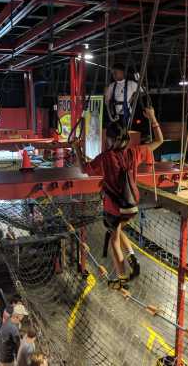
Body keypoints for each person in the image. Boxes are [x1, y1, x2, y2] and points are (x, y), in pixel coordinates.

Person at [73, 107, 163, 290]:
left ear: (111, 139)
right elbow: (160, 140)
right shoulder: (134, 152)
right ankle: (131, 256)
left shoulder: (105, 158)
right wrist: (153, 117)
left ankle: (122, 279)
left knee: (114, 239)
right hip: (131, 206)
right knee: (119, 229)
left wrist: (76, 149)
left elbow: (84, 169)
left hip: (114, 208)